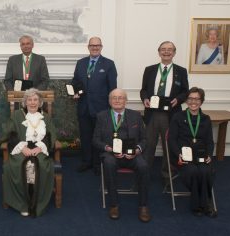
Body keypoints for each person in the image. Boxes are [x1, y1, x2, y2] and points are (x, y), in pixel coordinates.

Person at [93, 88, 151, 222]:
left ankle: (143, 205)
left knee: (144, 166)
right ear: (109, 101)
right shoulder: (102, 116)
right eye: (114, 98)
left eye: (120, 98)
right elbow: (95, 140)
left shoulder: (135, 115)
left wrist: (137, 149)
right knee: (109, 163)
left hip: (133, 155)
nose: (117, 100)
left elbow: (144, 139)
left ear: (126, 101)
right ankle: (114, 204)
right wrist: (108, 148)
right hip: (111, 155)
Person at [2, 88, 57, 217]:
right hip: (22, 148)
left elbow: (51, 135)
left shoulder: (46, 117)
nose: (33, 103)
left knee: (42, 166)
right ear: (25, 102)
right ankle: (22, 203)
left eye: (35, 100)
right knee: (17, 166)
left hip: (40, 149)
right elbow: (10, 134)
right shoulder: (16, 115)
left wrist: (41, 147)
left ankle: (37, 202)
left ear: (40, 102)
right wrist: (22, 147)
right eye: (30, 100)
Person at [140, 41, 189, 181]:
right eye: (163, 49)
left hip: (171, 114)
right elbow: (143, 89)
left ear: (174, 52)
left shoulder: (181, 71)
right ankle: (144, 173)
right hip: (152, 114)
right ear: (159, 52)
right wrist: (145, 99)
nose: (166, 52)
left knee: (169, 146)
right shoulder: (149, 69)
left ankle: (167, 175)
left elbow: (185, 91)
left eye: (169, 49)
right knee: (149, 145)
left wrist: (178, 100)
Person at [168, 87, 217, 217]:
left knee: (205, 171)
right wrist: (178, 153)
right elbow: (171, 140)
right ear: (186, 100)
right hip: (182, 155)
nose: (193, 102)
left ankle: (204, 203)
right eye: (190, 98)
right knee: (192, 171)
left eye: (196, 99)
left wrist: (209, 155)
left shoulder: (206, 119)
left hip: (201, 155)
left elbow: (210, 142)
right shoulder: (178, 117)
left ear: (202, 101)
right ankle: (201, 204)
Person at [72, 36, 117, 174]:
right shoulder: (81, 63)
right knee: (85, 136)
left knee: (99, 138)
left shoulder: (109, 64)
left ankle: (99, 164)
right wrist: (74, 92)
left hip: (101, 108)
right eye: (92, 45)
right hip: (84, 107)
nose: (95, 48)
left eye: (97, 45)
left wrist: (112, 108)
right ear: (88, 47)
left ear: (101, 47)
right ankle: (87, 161)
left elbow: (113, 88)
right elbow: (75, 81)